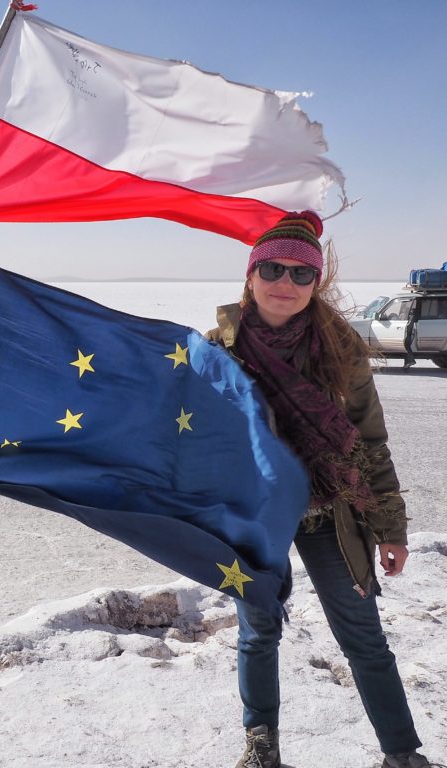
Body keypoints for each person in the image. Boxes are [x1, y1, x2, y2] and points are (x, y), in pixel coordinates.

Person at [205, 212, 441, 768]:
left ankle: (402, 755)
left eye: (300, 273)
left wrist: (391, 528)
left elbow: (371, 442)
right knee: (259, 632)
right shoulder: (217, 349)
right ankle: (261, 745)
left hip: (330, 511)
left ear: (317, 283)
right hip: (255, 515)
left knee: (363, 636)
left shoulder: (342, 350)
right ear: (250, 275)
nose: (284, 282)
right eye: (271, 268)